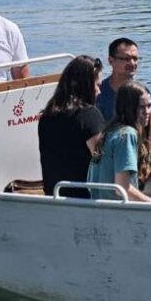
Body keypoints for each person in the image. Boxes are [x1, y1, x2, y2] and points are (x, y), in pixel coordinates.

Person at [96, 37, 151, 178]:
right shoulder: (99, 93)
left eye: (135, 58)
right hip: (116, 157)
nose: (132, 63)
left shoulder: (143, 92)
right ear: (111, 61)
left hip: (143, 154)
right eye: (126, 59)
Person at [38, 55, 106, 198]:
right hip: (85, 196)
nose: (100, 91)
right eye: (98, 85)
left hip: (54, 195)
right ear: (86, 84)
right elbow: (104, 162)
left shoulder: (47, 116)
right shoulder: (89, 116)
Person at [88, 81, 151, 203]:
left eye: (149, 106)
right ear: (129, 108)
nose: (147, 112)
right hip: (118, 211)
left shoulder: (107, 133)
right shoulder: (127, 135)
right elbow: (122, 189)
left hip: (97, 206)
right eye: (141, 107)